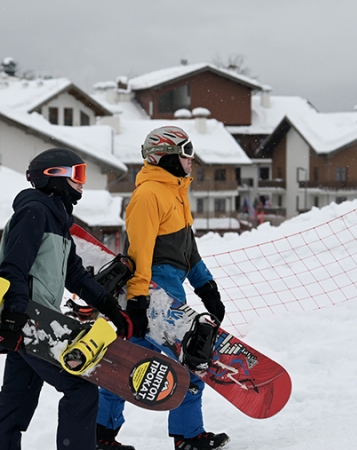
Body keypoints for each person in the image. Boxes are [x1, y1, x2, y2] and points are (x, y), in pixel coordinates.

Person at [0, 148, 133, 450]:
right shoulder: (34, 211)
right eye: (77, 174)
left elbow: (75, 274)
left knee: (16, 402)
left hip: (34, 319)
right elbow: (14, 264)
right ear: (54, 176)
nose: (82, 183)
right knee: (80, 388)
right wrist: (14, 317)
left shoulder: (57, 219)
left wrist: (110, 307)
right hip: (28, 319)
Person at [95, 126, 229, 450]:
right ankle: (186, 436)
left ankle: (101, 436)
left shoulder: (175, 192)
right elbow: (139, 252)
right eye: (185, 151)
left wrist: (207, 287)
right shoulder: (148, 195)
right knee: (191, 361)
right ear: (166, 156)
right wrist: (139, 300)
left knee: (124, 360)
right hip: (153, 291)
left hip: (167, 289)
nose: (191, 158)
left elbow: (188, 250)